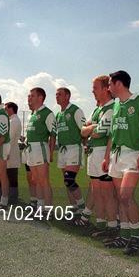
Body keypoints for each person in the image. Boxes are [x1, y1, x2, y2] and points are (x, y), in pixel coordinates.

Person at [102, 70, 139, 255]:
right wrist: (106, 156)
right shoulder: (116, 104)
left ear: (118, 84)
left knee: (126, 196)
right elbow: (112, 135)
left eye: (110, 84)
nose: (108, 88)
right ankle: (124, 236)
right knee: (120, 198)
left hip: (133, 155)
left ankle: (136, 236)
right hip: (116, 156)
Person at [81, 75, 119, 237]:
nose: (92, 91)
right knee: (97, 193)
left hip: (104, 153)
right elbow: (82, 131)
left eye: (95, 88)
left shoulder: (112, 108)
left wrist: (91, 128)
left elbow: (99, 133)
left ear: (106, 89)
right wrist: (91, 128)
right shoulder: (97, 109)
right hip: (93, 154)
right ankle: (102, 224)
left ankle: (112, 226)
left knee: (107, 193)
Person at [54, 87, 87, 222]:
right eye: (56, 94)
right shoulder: (58, 114)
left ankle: (82, 206)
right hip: (62, 150)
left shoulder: (75, 110)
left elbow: (84, 130)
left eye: (59, 94)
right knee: (66, 182)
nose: (57, 96)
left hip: (74, 148)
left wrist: (85, 144)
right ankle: (74, 208)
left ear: (67, 96)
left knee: (69, 180)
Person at [24, 87, 56, 214]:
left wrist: (51, 152)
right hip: (30, 150)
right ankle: (40, 207)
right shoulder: (33, 114)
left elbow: (53, 134)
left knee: (44, 181)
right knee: (36, 180)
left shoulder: (47, 113)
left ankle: (49, 210)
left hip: (40, 148)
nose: (29, 98)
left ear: (40, 97)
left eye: (32, 95)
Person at [5, 102, 22, 205]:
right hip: (10, 150)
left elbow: (9, 138)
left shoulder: (14, 121)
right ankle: (12, 196)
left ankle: (13, 197)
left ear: (11, 109)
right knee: (10, 174)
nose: (5, 110)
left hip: (11, 151)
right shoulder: (12, 120)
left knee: (11, 175)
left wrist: (6, 152)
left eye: (6, 108)